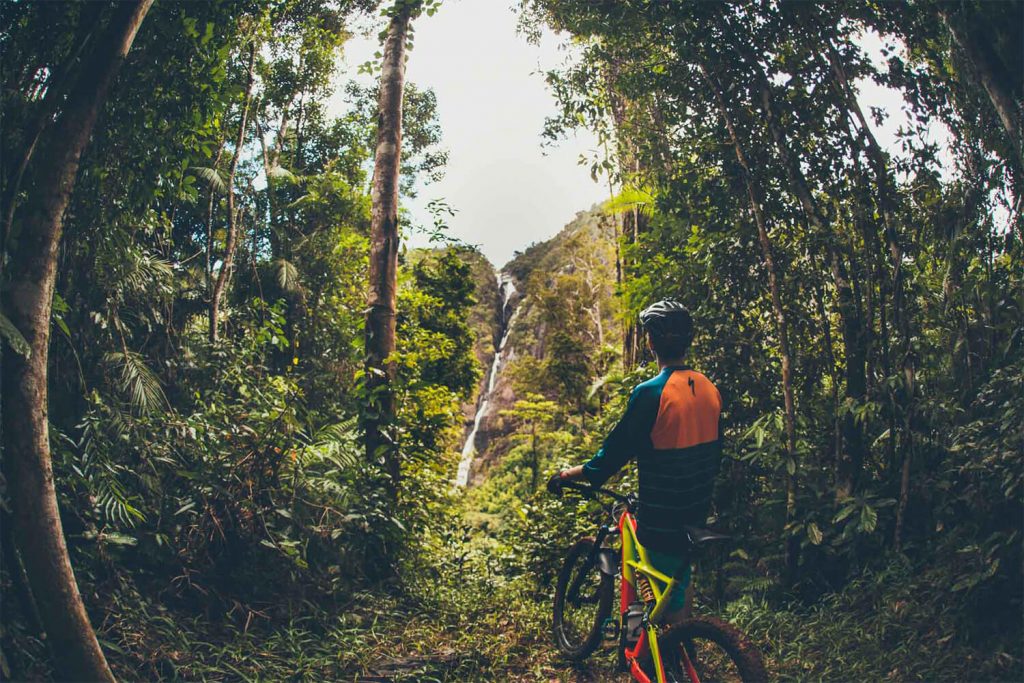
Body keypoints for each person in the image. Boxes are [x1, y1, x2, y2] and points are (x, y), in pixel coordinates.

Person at [547, 299, 723, 624]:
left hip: (663, 518)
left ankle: (665, 650)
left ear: (651, 341)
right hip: (697, 510)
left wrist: (569, 475)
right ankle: (679, 643)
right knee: (677, 583)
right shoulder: (710, 389)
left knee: (656, 579)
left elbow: (614, 454)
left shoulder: (652, 393)